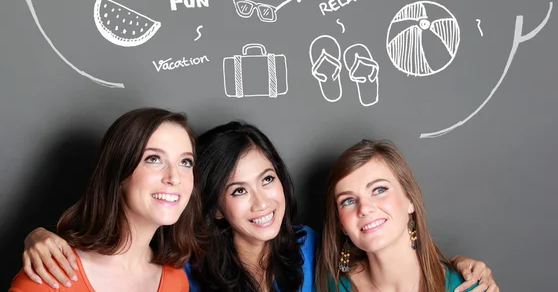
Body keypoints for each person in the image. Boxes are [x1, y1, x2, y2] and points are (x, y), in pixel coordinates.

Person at [21, 123, 496, 292]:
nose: (263, 201)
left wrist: (454, 264)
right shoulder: (186, 271)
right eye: (238, 190)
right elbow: (123, 253)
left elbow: (387, 256)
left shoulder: (314, 252)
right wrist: (40, 234)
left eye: (267, 179)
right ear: (213, 208)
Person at [10, 107, 199, 292]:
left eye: (185, 162)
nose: (174, 178)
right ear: (118, 172)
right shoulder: (50, 276)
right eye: (154, 159)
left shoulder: (176, 281)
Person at [316, 139, 498, 292]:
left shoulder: (469, 287)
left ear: (410, 199)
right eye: (348, 201)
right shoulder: (332, 286)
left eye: (379, 189)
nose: (364, 208)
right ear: (341, 224)